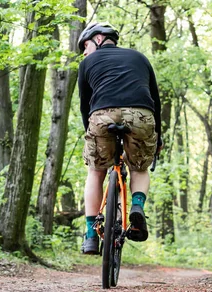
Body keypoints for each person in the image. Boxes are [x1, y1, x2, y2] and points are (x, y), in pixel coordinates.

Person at [77, 22, 162, 254]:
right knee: (139, 168)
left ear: (96, 40)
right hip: (141, 114)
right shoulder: (140, 58)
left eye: (85, 46)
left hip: (101, 115)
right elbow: (155, 100)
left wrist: (91, 133)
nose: (84, 53)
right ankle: (136, 207)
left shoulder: (86, 64)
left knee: (96, 171)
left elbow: (86, 105)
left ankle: (91, 235)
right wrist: (159, 136)